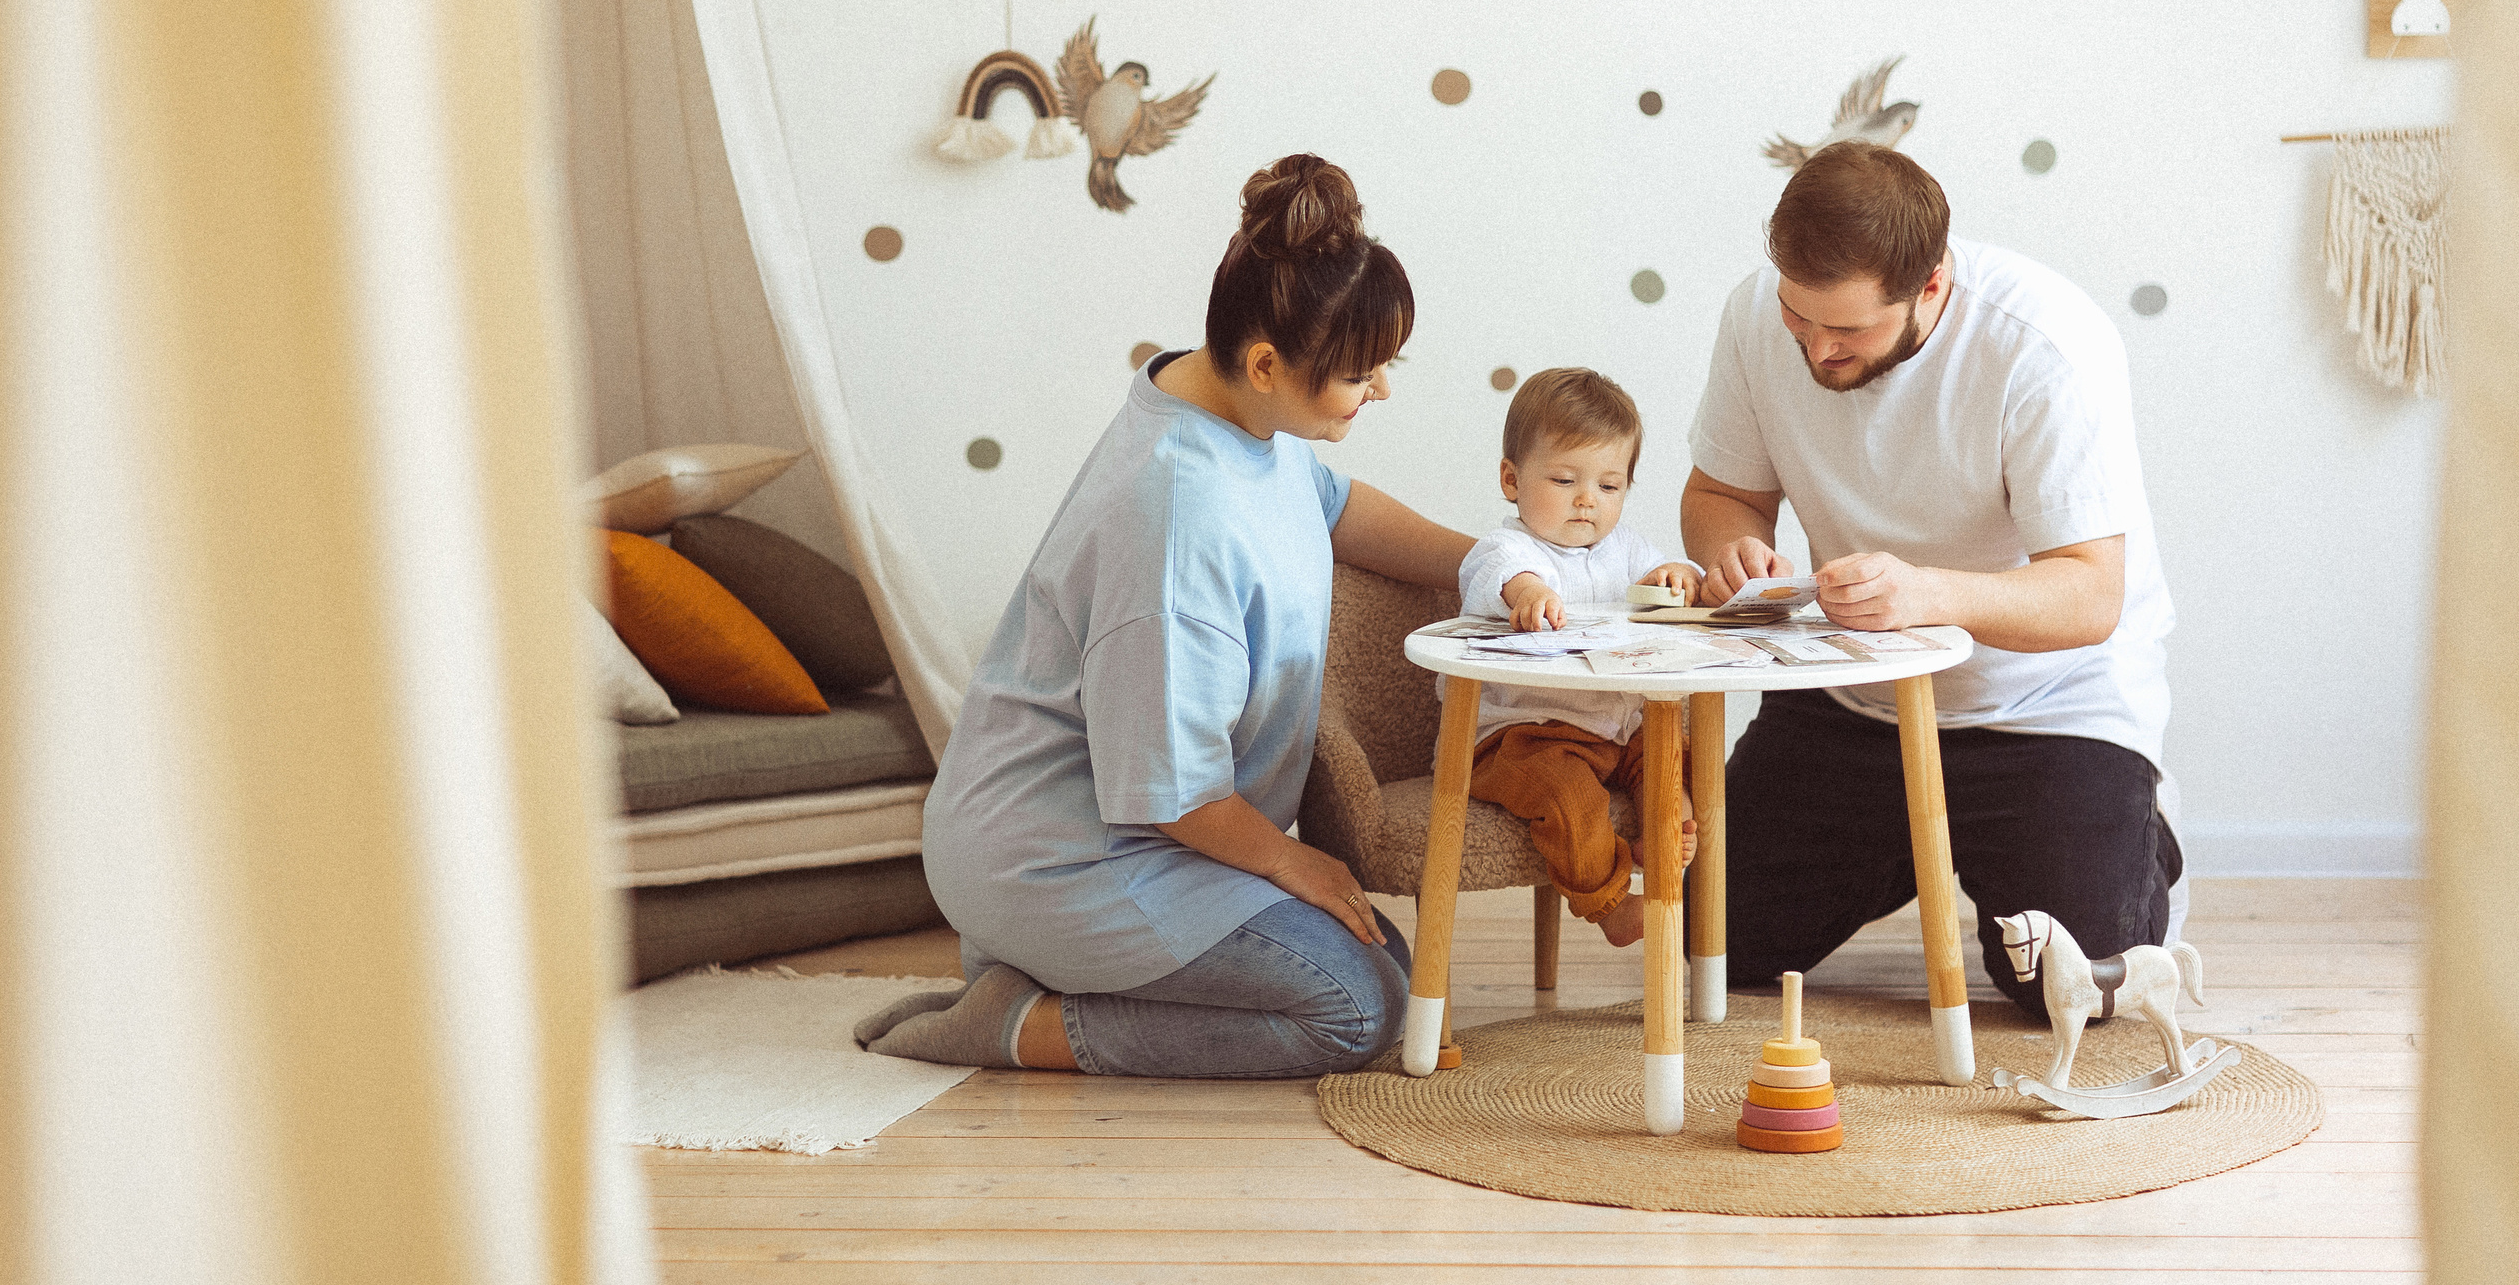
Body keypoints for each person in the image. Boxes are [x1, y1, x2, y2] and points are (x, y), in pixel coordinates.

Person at [858, 155, 1473, 1077]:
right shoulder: (1179, 517)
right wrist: (1294, 863)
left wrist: (1491, 564)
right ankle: (1012, 1022)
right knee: (1358, 1006)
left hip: (1140, 830)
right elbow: (1175, 793)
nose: (1380, 388)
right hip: (1061, 853)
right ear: (1265, 364)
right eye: (1360, 373)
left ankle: (1041, 973)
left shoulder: (1229, 409)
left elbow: (1336, 507)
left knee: (1391, 969)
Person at [1679, 142, 2181, 1015]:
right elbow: (1723, 495)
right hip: (1855, 696)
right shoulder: (1761, 315)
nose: (1817, 346)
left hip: (2044, 705)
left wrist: (1930, 593)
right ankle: (1911, 840)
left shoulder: (2043, 346)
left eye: (1850, 329)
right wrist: (1735, 550)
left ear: (1932, 285)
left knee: (2066, 985)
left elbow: (2090, 592)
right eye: (1800, 315)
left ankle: (2132, 833)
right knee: (1714, 935)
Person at [1454, 368, 1702, 948]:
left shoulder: (1626, 548)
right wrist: (1529, 593)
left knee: (1677, 756)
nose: (1588, 499)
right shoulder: (1506, 547)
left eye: (1610, 486)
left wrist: (1678, 575)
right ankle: (1607, 903)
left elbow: (1668, 576)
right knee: (1569, 800)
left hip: (1618, 728)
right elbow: (1505, 577)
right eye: (1565, 480)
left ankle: (1667, 836)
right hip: (1524, 737)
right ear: (1512, 480)